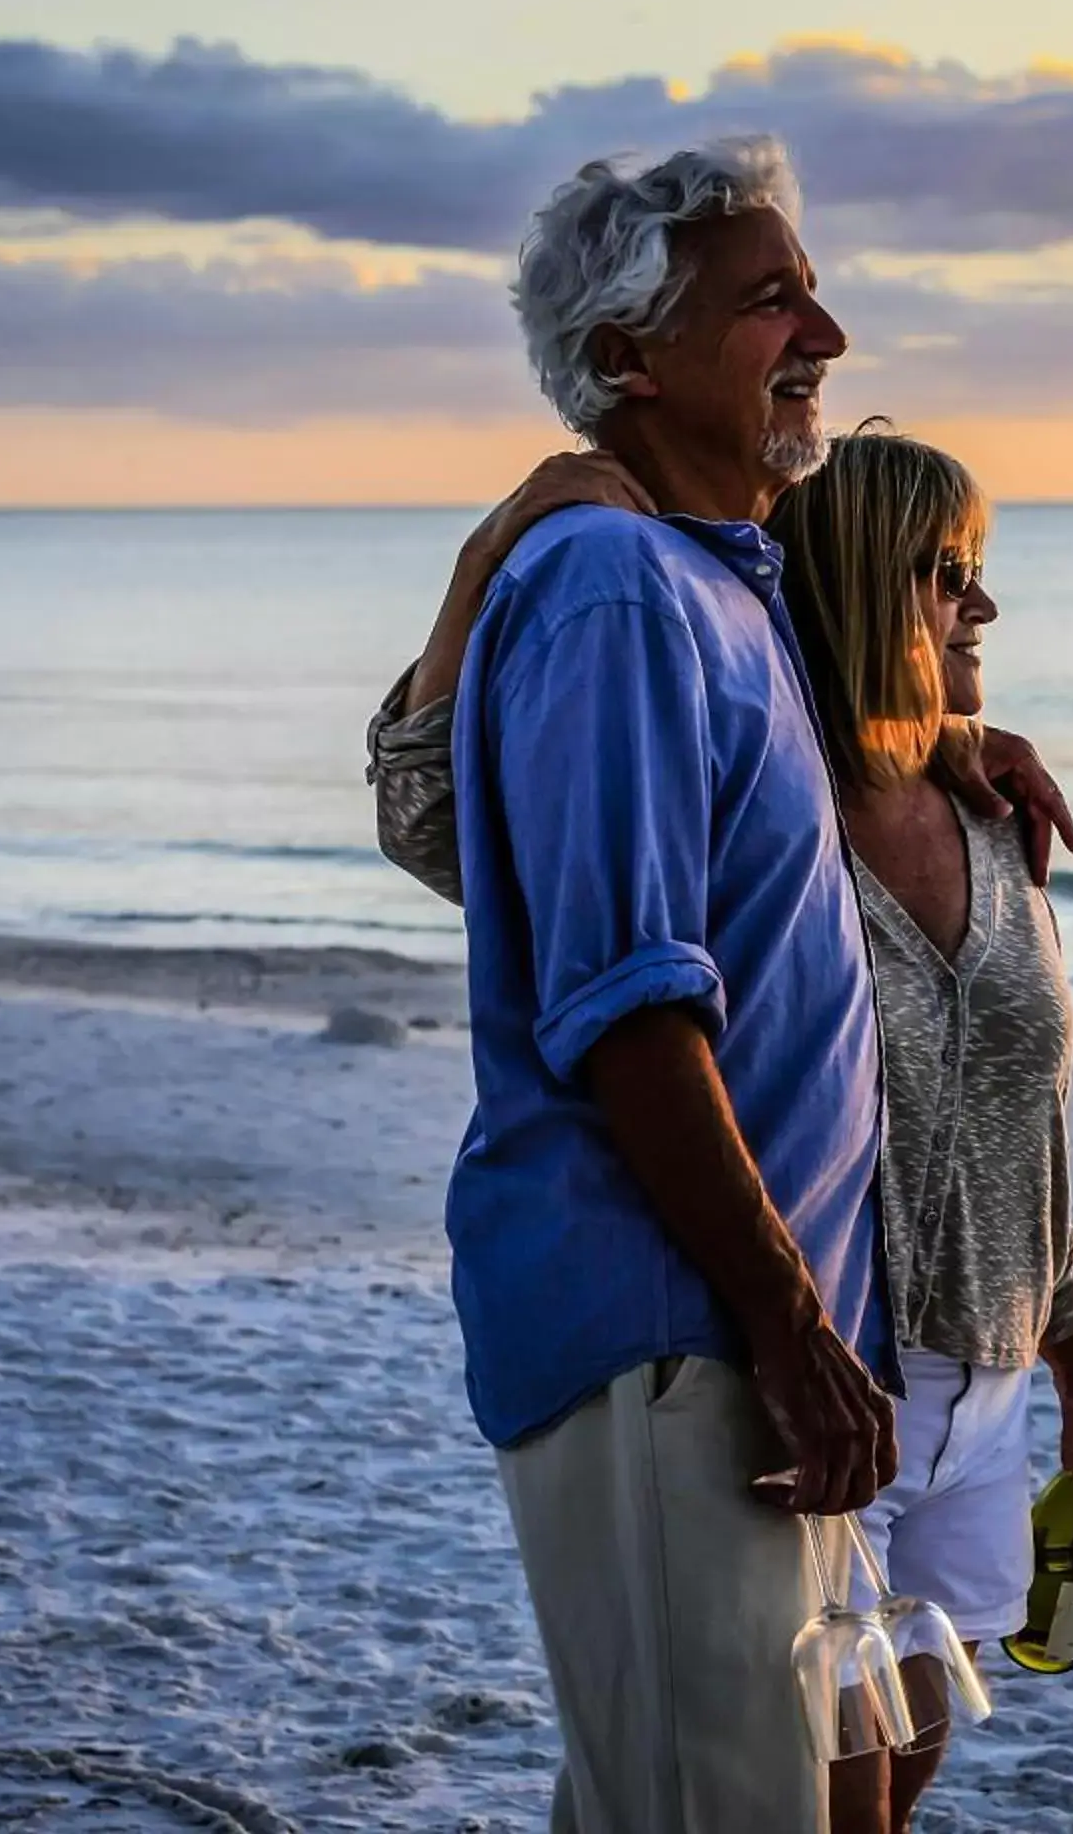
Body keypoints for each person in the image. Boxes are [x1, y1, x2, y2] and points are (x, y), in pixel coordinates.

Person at [375, 423, 1073, 1834]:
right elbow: (444, 820)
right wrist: (487, 557)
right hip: (829, 1361)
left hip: (985, 1382)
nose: (982, 606)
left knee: (882, 1782)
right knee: (764, 1791)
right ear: (857, 583)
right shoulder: (760, 811)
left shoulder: (987, 818)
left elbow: (1016, 1116)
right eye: (949, 571)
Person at [416, 134, 897, 1834]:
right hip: (679, 1340)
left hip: (744, 1348)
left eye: (814, 290)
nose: (825, 336)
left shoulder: (709, 585)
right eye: (771, 300)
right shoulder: (614, 590)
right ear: (628, 359)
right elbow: (626, 1007)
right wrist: (785, 1321)